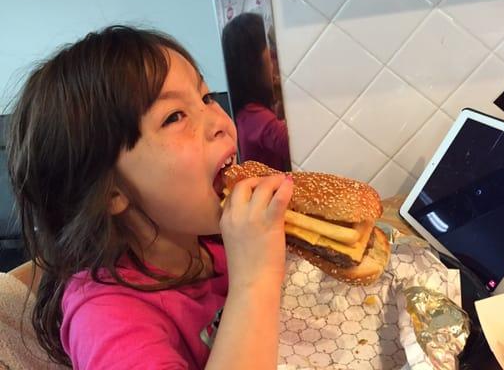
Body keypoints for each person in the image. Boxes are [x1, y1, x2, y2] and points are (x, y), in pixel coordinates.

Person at [7, 25, 293, 369]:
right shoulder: (105, 317)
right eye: (174, 116)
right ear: (111, 191)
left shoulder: (212, 241)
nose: (219, 120)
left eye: (205, 97)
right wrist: (254, 280)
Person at [222, 13, 290, 171]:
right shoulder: (254, 116)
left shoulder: (250, 113)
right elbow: (294, 145)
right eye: (271, 56)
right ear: (253, 66)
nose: (276, 63)